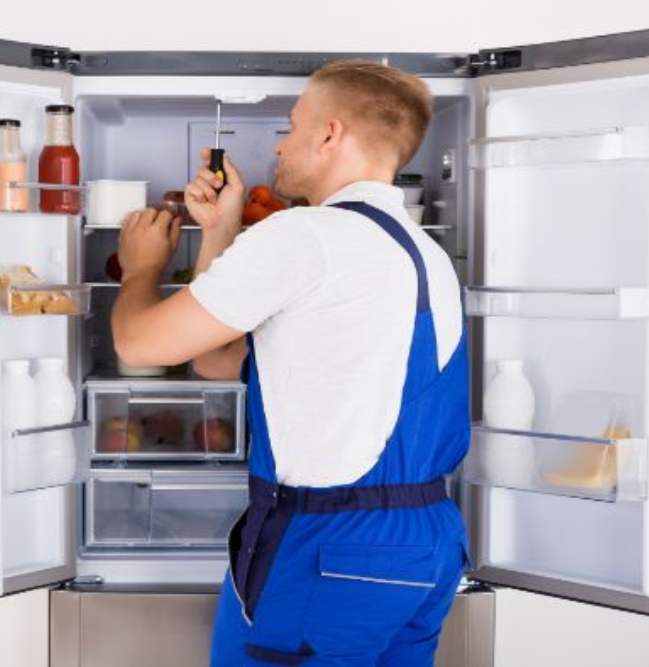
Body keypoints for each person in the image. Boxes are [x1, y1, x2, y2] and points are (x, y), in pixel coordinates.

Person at [111, 60, 470, 666]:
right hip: (427, 544)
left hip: (331, 547)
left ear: (330, 134)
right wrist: (220, 231)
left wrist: (141, 265)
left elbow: (138, 346)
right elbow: (220, 363)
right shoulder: (421, 252)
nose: (280, 143)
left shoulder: (310, 235)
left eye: (290, 124)